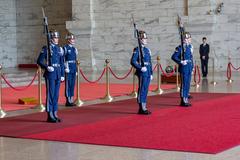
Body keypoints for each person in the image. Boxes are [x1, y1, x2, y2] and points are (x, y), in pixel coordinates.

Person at [37, 30, 65, 123]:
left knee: (56, 95)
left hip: (57, 73)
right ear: (51, 39)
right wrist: (47, 67)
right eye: (54, 38)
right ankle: (50, 114)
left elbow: (61, 62)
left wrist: (62, 74)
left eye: (57, 37)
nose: (56, 39)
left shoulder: (58, 49)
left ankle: (55, 113)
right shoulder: (46, 49)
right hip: (50, 74)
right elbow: (39, 61)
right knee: (50, 94)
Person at [131, 30, 153, 115]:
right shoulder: (137, 50)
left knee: (146, 89)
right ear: (140, 39)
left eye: (146, 38)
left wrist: (151, 73)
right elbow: (133, 61)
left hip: (147, 72)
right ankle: (141, 107)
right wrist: (140, 68)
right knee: (142, 89)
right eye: (144, 38)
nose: (146, 39)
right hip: (142, 72)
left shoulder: (147, 50)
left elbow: (150, 63)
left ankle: (144, 106)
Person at [171, 32, 194, 107]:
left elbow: (191, 58)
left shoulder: (189, 47)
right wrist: (181, 62)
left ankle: (186, 98)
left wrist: (192, 67)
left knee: (187, 83)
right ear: (183, 39)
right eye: (186, 38)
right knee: (184, 84)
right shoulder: (180, 48)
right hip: (183, 67)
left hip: (189, 67)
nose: (188, 39)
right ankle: (183, 100)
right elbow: (174, 57)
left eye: (188, 38)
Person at [63, 33, 78, 106]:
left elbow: (76, 60)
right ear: (68, 40)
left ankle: (71, 99)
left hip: (73, 68)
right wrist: (65, 68)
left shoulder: (74, 49)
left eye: (73, 39)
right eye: (72, 39)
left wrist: (76, 70)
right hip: (68, 68)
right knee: (68, 85)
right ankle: (68, 100)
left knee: (72, 84)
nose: (73, 40)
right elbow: (63, 59)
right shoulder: (65, 48)